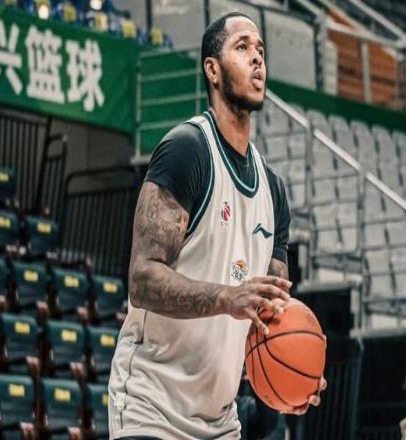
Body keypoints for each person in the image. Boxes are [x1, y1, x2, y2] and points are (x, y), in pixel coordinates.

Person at [108, 12, 326, 439]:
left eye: (260, 50)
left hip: (219, 422)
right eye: (242, 47)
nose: (257, 59)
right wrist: (228, 297)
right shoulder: (186, 150)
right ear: (212, 69)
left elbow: (269, 315)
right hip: (150, 405)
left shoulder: (273, 192)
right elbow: (142, 280)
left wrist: (296, 370)